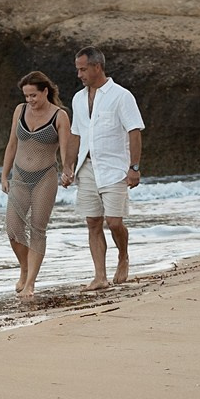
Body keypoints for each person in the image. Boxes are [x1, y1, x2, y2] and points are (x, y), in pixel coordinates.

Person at [70, 46, 144, 288]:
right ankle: (100, 276)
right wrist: (68, 166)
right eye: (78, 69)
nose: (79, 74)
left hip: (115, 168)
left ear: (97, 67)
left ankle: (123, 256)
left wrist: (134, 167)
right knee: (92, 221)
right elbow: (76, 134)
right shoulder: (78, 99)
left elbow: (134, 131)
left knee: (113, 222)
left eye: (83, 69)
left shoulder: (121, 96)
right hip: (86, 168)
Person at [0, 71, 76, 299]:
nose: (29, 100)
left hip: (45, 177)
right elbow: (12, 144)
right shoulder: (20, 110)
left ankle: (30, 283)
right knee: (13, 229)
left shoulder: (59, 116)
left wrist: (67, 171)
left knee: (37, 229)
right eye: (26, 96)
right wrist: (4, 175)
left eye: (33, 95)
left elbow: (65, 150)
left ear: (45, 91)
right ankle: (25, 267)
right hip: (20, 176)